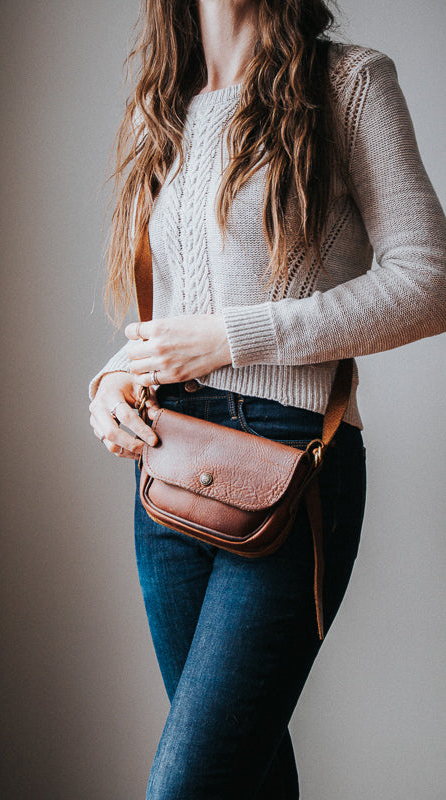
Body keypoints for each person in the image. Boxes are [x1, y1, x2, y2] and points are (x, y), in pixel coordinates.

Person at [89, 1, 446, 796]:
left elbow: (429, 282)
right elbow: (175, 314)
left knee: (189, 784)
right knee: (246, 775)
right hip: (166, 460)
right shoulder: (166, 101)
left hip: (293, 463)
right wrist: (115, 379)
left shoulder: (347, 82)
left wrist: (232, 338)